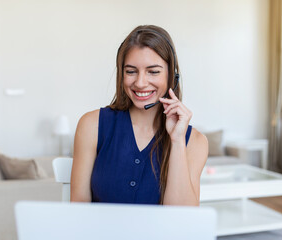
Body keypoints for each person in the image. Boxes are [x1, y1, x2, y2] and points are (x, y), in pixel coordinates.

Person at [71, 25, 208, 206]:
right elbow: (79, 210)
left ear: (172, 76)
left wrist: (177, 141)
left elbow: (182, 221)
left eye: (153, 71)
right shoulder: (91, 125)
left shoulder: (195, 142)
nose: (140, 83)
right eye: (131, 71)